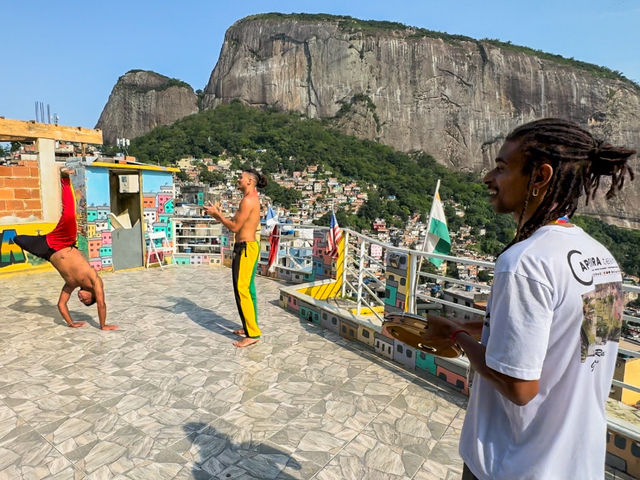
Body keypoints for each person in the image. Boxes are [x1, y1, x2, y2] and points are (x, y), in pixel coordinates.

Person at [427, 118, 635, 480]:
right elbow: (576, 337)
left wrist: (455, 336)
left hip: (512, 464)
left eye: (502, 167)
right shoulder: (603, 260)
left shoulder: (524, 262)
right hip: (577, 464)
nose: (488, 178)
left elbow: (519, 388)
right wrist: (472, 324)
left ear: (539, 176)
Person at [13, 167, 117, 331]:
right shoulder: (94, 279)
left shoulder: (70, 284)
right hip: (64, 241)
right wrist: (103, 325)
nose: (81, 299)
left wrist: (71, 322)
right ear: (92, 295)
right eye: (85, 300)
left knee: (16, 239)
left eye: (81, 302)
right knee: (69, 214)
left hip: (46, 249)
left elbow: (61, 305)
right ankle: (64, 178)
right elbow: (102, 304)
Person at [205, 168, 267, 347]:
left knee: (243, 290)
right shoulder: (251, 198)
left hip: (246, 248)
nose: (238, 180)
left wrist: (218, 215)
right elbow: (238, 223)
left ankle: (253, 333)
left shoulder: (248, 201)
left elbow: (234, 227)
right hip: (248, 247)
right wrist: (220, 215)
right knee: (248, 289)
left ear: (250, 181)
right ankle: (249, 327)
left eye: (241, 177)